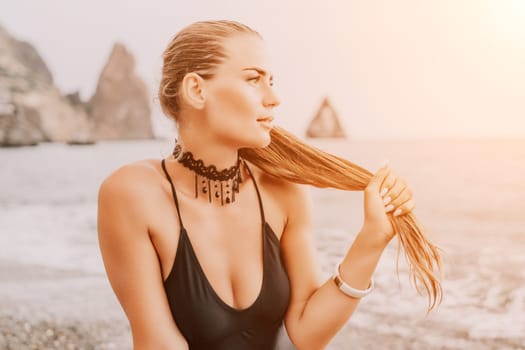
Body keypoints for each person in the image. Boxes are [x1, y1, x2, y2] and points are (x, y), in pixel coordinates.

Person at [97, 20, 442, 350]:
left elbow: (306, 335)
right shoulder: (132, 194)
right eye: (253, 80)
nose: (273, 98)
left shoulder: (283, 190)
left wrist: (372, 238)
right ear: (197, 90)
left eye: (272, 81)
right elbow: (159, 344)